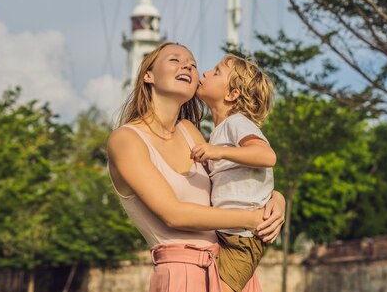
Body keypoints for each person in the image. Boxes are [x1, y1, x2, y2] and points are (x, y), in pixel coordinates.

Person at [107, 42, 285, 292]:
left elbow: (232, 181)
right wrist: (254, 218)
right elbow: (174, 215)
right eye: (175, 60)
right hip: (182, 274)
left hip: (228, 268)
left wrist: (276, 199)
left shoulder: (191, 132)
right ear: (148, 75)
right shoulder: (126, 140)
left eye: (192, 63)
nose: (188, 66)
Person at [192, 54, 275, 292]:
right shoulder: (219, 131)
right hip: (228, 232)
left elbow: (267, 156)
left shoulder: (237, 122)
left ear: (231, 95)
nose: (205, 73)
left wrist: (217, 152)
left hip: (243, 238)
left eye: (216, 72)